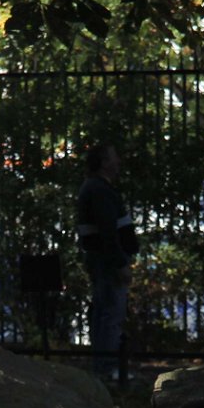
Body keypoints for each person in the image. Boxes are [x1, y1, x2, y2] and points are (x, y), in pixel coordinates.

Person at [75, 142, 137, 380]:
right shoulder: (99, 190)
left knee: (105, 313)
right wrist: (120, 263)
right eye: (113, 157)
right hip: (107, 263)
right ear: (103, 163)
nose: (118, 161)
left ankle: (103, 366)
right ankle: (107, 369)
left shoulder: (95, 188)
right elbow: (108, 231)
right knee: (111, 314)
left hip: (102, 260)